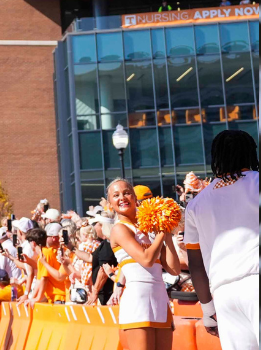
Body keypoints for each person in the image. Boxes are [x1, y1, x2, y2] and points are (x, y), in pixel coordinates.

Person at [184, 129, 259, 350]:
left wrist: (208, 311)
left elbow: (195, 264)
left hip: (224, 294)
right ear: (250, 153)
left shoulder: (196, 204)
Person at [106, 178, 180, 350]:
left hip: (160, 299)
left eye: (126, 193)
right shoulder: (119, 229)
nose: (122, 197)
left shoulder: (150, 228)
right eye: (116, 195)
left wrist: (167, 233)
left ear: (135, 197)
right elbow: (146, 260)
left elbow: (174, 269)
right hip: (137, 301)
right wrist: (162, 232)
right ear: (110, 203)